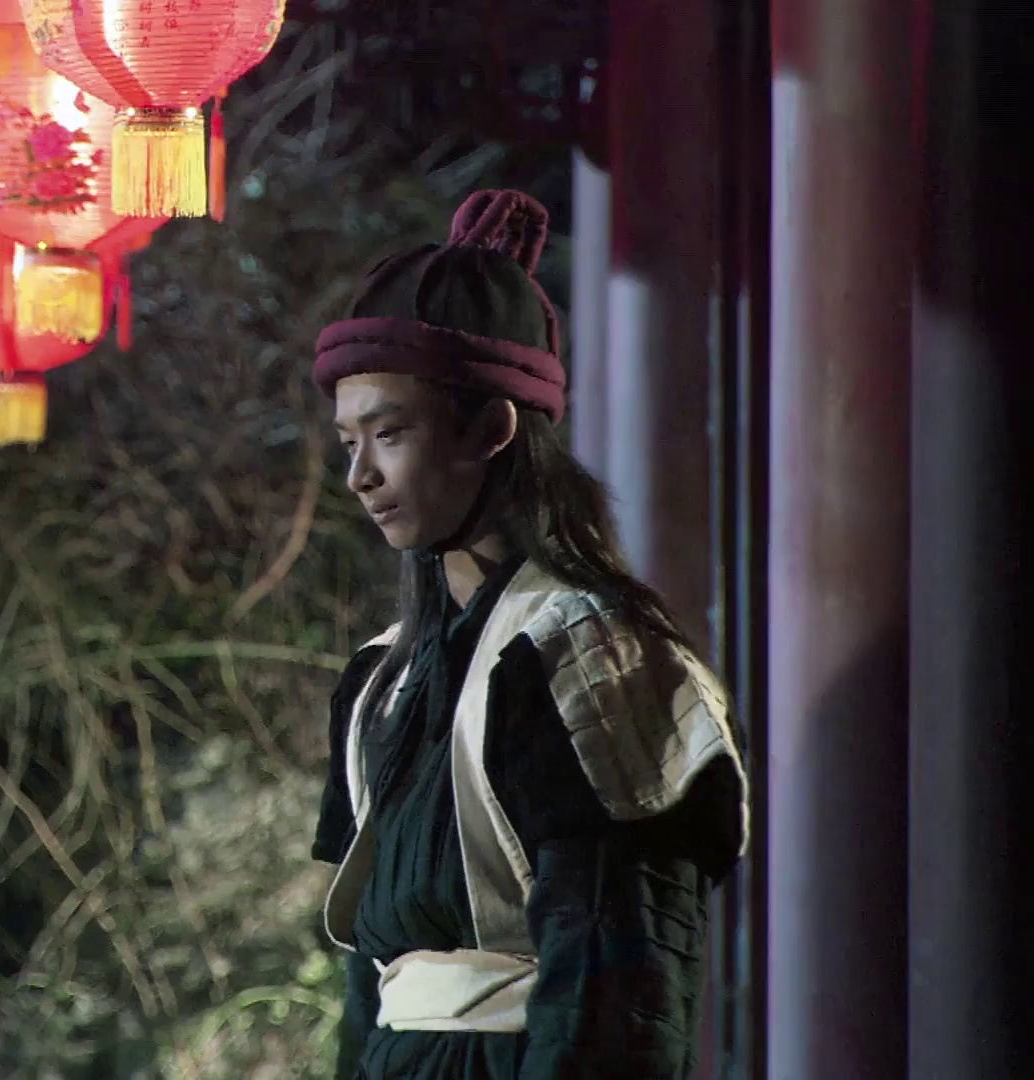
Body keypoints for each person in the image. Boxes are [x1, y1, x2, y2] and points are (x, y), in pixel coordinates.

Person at [307, 191, 749, 1079]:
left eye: (389, 433)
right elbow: (369, 977)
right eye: (349, 441)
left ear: (492, 428)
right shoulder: (382, 679)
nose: (360, 475)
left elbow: (616, 994)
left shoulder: (591, 658)